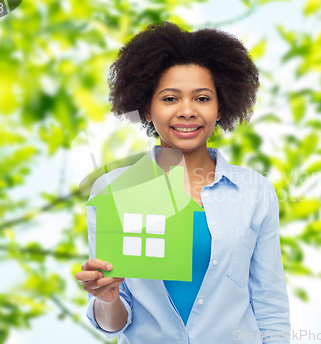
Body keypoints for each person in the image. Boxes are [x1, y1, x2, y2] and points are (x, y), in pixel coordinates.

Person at [75, 21, 291, 343]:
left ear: (221, 108)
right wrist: (107, 299)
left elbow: (269, 303)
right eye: (170, 98)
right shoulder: (113, 191)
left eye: (202, 98)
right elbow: (115, 322)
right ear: (147, 109)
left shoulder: (255, 192)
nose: (187, 111)